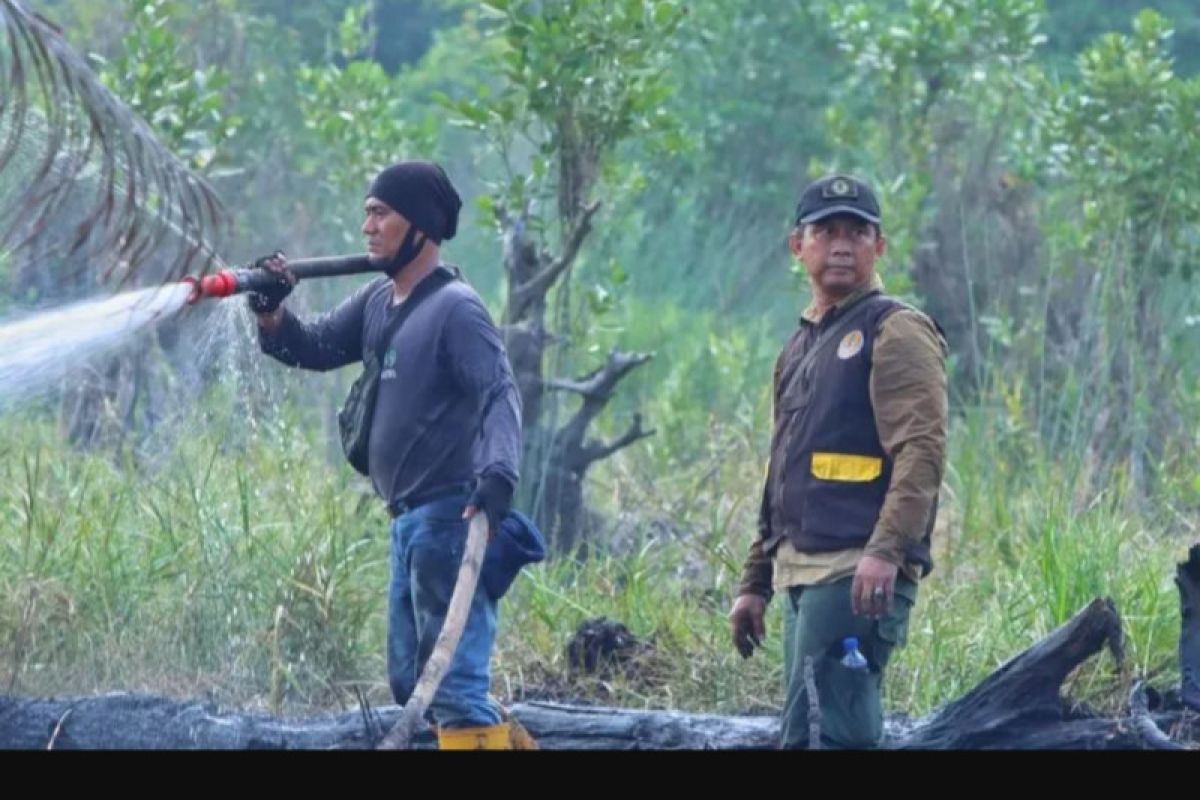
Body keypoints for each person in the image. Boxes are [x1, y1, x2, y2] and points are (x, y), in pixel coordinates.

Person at [252, 160, 535, 749]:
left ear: (421, 227)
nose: (367, 226)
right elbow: (311, 346)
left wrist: (498, 475)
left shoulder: (456, 309)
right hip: (407, 522)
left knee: (451, 688)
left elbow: (498, 392)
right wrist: (271, 309)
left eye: (381, 213)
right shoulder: (380, 300)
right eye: (366, 213)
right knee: (411, 683)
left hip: (451, 519)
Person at [729, 174, 948, 749]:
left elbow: (922, 451)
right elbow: (783, 473)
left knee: (830, 739)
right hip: (802, 572)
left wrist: (884, 551)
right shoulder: (801, 344)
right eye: (826, 231)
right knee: (805, 737)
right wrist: (756, 579)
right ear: (797, 246)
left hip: (856, 573)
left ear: (880, 247)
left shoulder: (894, 329)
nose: (842, 244)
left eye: (858, 231)